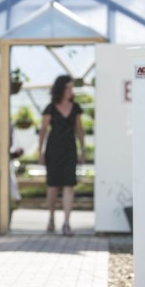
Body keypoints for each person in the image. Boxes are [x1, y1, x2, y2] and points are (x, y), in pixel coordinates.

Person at [38, 75, 86, 236]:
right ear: (61, 89)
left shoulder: (76, 107)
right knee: (52, 186)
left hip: (70, 150)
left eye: (72, 87)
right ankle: (51, 217)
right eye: (68, 87)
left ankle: (66, 223)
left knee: (69, 185)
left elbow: (79, 129)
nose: (71, 90)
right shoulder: (50, 108)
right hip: (53, 150)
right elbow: (43, 130)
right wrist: (40, 152)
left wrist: (83, 148)